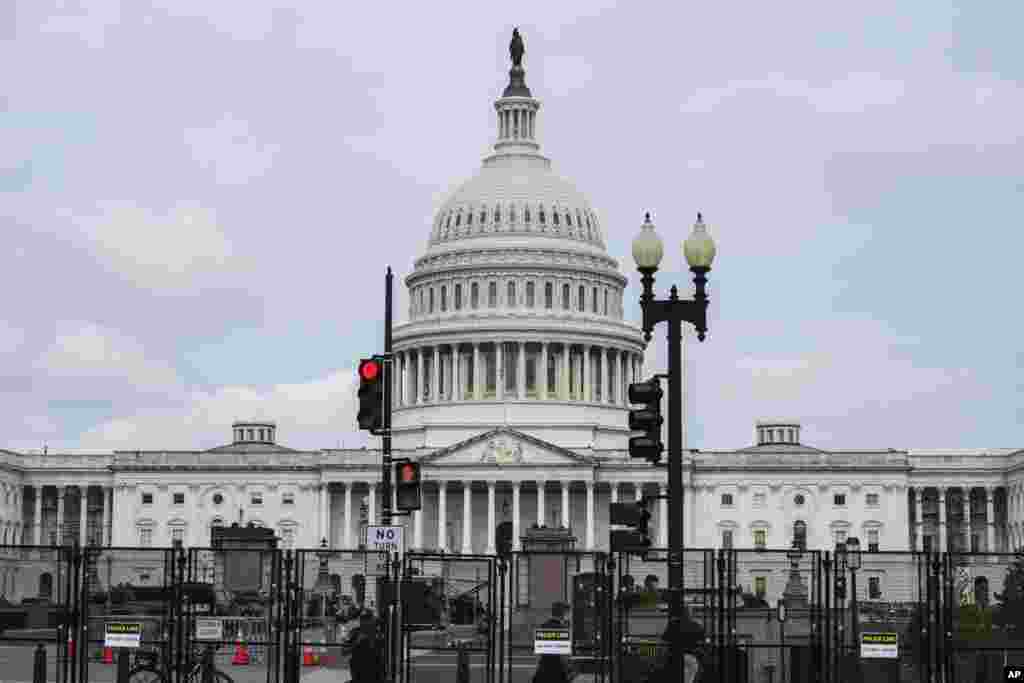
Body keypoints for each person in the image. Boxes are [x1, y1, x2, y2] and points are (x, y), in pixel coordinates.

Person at [533, 603, 571, 683]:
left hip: (543, 670)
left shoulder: (543, 626)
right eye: (567, 613)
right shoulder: (562, 629)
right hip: (557, 671)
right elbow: (563, 656)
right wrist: (568, 669)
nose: (568, 616)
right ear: (563, 614)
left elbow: (539, 653)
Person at [349, 611, 384, 683]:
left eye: (367, 620)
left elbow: (382, 652)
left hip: (375, 672)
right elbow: (344, 651)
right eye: (362, 620)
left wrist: (373, 639)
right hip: (359, 672)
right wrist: (357, 642)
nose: (363, 623)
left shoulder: (378, 633)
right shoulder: (355, 633)